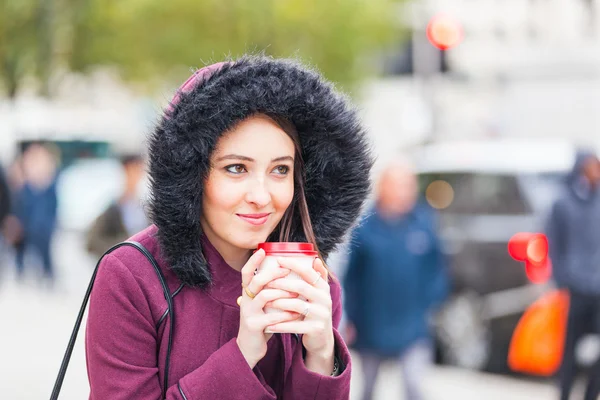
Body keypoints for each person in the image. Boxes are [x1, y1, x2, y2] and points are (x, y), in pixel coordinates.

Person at [85, 55, 373, 399]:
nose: (261, 196)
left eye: (280, 170)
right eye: (236, 168)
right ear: (193, 175)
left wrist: (322, 356)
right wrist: (243, 353)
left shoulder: (309, 282)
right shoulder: (131, 277)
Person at [343, 161, 449, 400]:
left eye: (408, 185)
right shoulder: (366, 228)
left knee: (414, 386)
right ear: (383, 187)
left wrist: (432, 303)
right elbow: (352, 278)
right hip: (372, 323)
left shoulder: (423, 223)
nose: (404, 192)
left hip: (413, 323)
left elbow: (438, 269)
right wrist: (351, 316)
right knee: (368, 387)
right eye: (398, 185)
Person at [546, 150, 600, 400]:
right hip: (576, 286)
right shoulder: (563, 203)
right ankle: (564, 393)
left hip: (597, 286)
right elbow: (554, 244)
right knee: (570, 348)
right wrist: (562, 279)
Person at [86, 153, 149, 259]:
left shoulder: (147, 208)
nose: (135, 177)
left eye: (138, 171)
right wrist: (121, 249)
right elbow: (92, 242)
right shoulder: (113, 208)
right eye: (131, 171)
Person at [13, 143, 59, 283]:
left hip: (44, 226)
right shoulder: (26, 184)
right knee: (21, 250)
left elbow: (53, 206)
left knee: (45, 253)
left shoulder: (49, 183)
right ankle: (21, 274)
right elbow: (21, 204)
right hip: (28, 223)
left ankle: (48, 275)